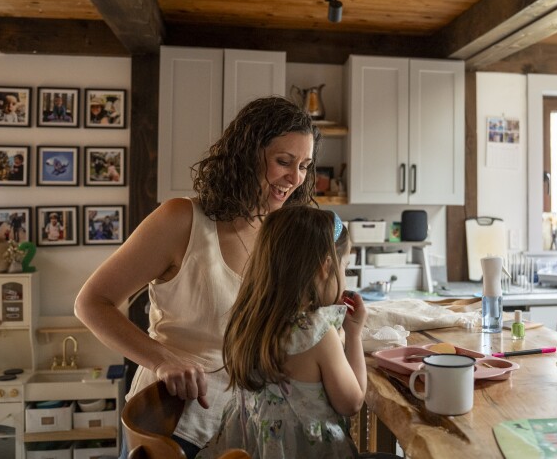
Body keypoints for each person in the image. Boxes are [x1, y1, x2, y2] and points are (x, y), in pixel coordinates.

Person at [74, 97, 319, 459]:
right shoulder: (182, 220)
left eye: (304, 166)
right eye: (284, 161)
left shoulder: (276, 230)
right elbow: (91, 303)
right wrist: (162, 361)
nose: (295, 178)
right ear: (248, 154)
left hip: (248, 426)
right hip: (176, 422)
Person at [201, 207, 366, 459]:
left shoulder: (247, 321)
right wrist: (354, 335)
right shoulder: (318, 334)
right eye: (345, 267)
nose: (344, 277)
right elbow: (351, 403)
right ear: (326, 266)